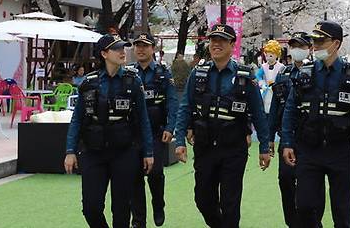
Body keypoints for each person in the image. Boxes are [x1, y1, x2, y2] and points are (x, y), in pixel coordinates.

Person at [281, 21, 350, 228]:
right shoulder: (304, 73)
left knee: (342, 214)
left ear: (336, 44)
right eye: (314, 40)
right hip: (309, 150)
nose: (315, 45)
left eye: (321, 40)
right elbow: (290, 110)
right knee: (305, 206)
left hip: (341, 151)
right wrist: (287, 142)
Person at [175, 24, 270, 228]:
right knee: (203, 199)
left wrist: (264, 147)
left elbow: (258, 113)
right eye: (213, 40)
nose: (216, 44)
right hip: (205, 147)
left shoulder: (245, 77)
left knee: (230, 204)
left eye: (222, 40)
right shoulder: (198, 73)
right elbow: (185, 107)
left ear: (232, 45)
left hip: (233, 149)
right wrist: (180, 139)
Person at [64, 34, 154, 228]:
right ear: (104, 54)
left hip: (124, 151)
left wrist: (148, 152)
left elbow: (143, 119)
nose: (123, 52)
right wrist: (70, 151)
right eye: (117, 49)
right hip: (93, 151)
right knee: (91, 207)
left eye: (123, 48)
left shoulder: (133, 81)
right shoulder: (89, 82)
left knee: (121, 210)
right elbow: (77, 118)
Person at [265, 31, 323, 227]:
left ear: (310, 49)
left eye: (301, 46)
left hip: (312, 139)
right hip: (288, 138)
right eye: (293, 46)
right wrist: (270, 137)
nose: (297, 50)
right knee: (285, 180)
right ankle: (292, 222)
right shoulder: (283, 75)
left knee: (313, 183)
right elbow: (275, 108)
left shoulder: (318, 72)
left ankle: (314, 222)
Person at [128, 33, 179, 228]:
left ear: (153, 49)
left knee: (155, 173)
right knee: (134, 177)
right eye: (137, 46)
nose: (140, 49)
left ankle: (158, 205)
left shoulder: (162, 73)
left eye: (145, 46)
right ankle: (138, 220)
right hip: (133, 134)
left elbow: (173, 101)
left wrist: (170, 126)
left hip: (157, 132)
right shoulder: (129, 73)